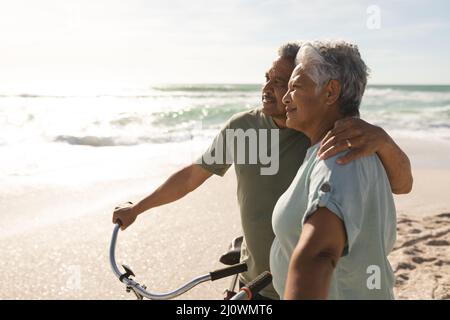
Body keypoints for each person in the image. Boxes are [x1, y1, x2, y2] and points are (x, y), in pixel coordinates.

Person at [112, 42, 413, 300]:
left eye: (287, 82)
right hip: (255, 278)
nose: (271, 90)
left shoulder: (334, 139)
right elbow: (193, 175)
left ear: (325, 92)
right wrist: (138, 208)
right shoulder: (244, 128)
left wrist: (385, 142)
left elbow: (398, 185)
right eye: (267, 79)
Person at [270, 40, 398, 300]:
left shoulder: (339, 156)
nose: (285, 97)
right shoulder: (341, 148)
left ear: (330, 92)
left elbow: (318, 255)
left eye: (295, 86)